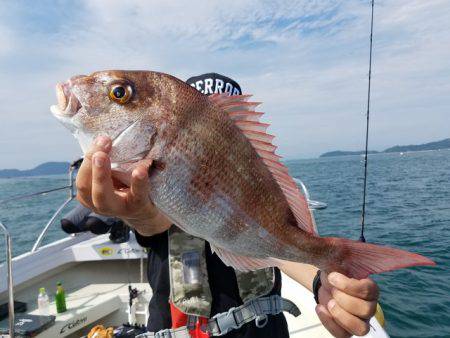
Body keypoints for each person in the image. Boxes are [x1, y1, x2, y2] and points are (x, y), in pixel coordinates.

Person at [76, 73, 379, 338]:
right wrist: (138, 212)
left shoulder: (257, 193)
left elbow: (278, 240)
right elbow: (154, 222)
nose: (207, 149)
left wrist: (321, 282)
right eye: (199, 124)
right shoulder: (152, 180)